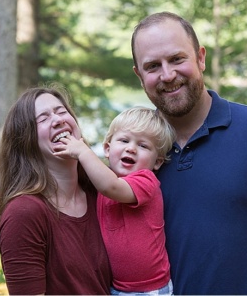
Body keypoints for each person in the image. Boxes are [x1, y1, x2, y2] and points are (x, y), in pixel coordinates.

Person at [130, 12, 247, 294]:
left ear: (201, 58)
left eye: (177, 59)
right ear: (139, 75)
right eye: (153, 66)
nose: (167, 75)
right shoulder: (133, 151)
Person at [0, 85, 112, 294]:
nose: (58, 120)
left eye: (62, 111)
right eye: (43, 119)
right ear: (26, 142)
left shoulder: (103, 194)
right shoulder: (24, 213)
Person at [55, 107, 175, 296]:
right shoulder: (102, 177)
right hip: (117, 287)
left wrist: (83, 152)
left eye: (143, 146)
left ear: (157, 162)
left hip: (150, 288)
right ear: (107, 149)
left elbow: (111, 187)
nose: (131, 148)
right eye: (124, 140)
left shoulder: (146, 181)